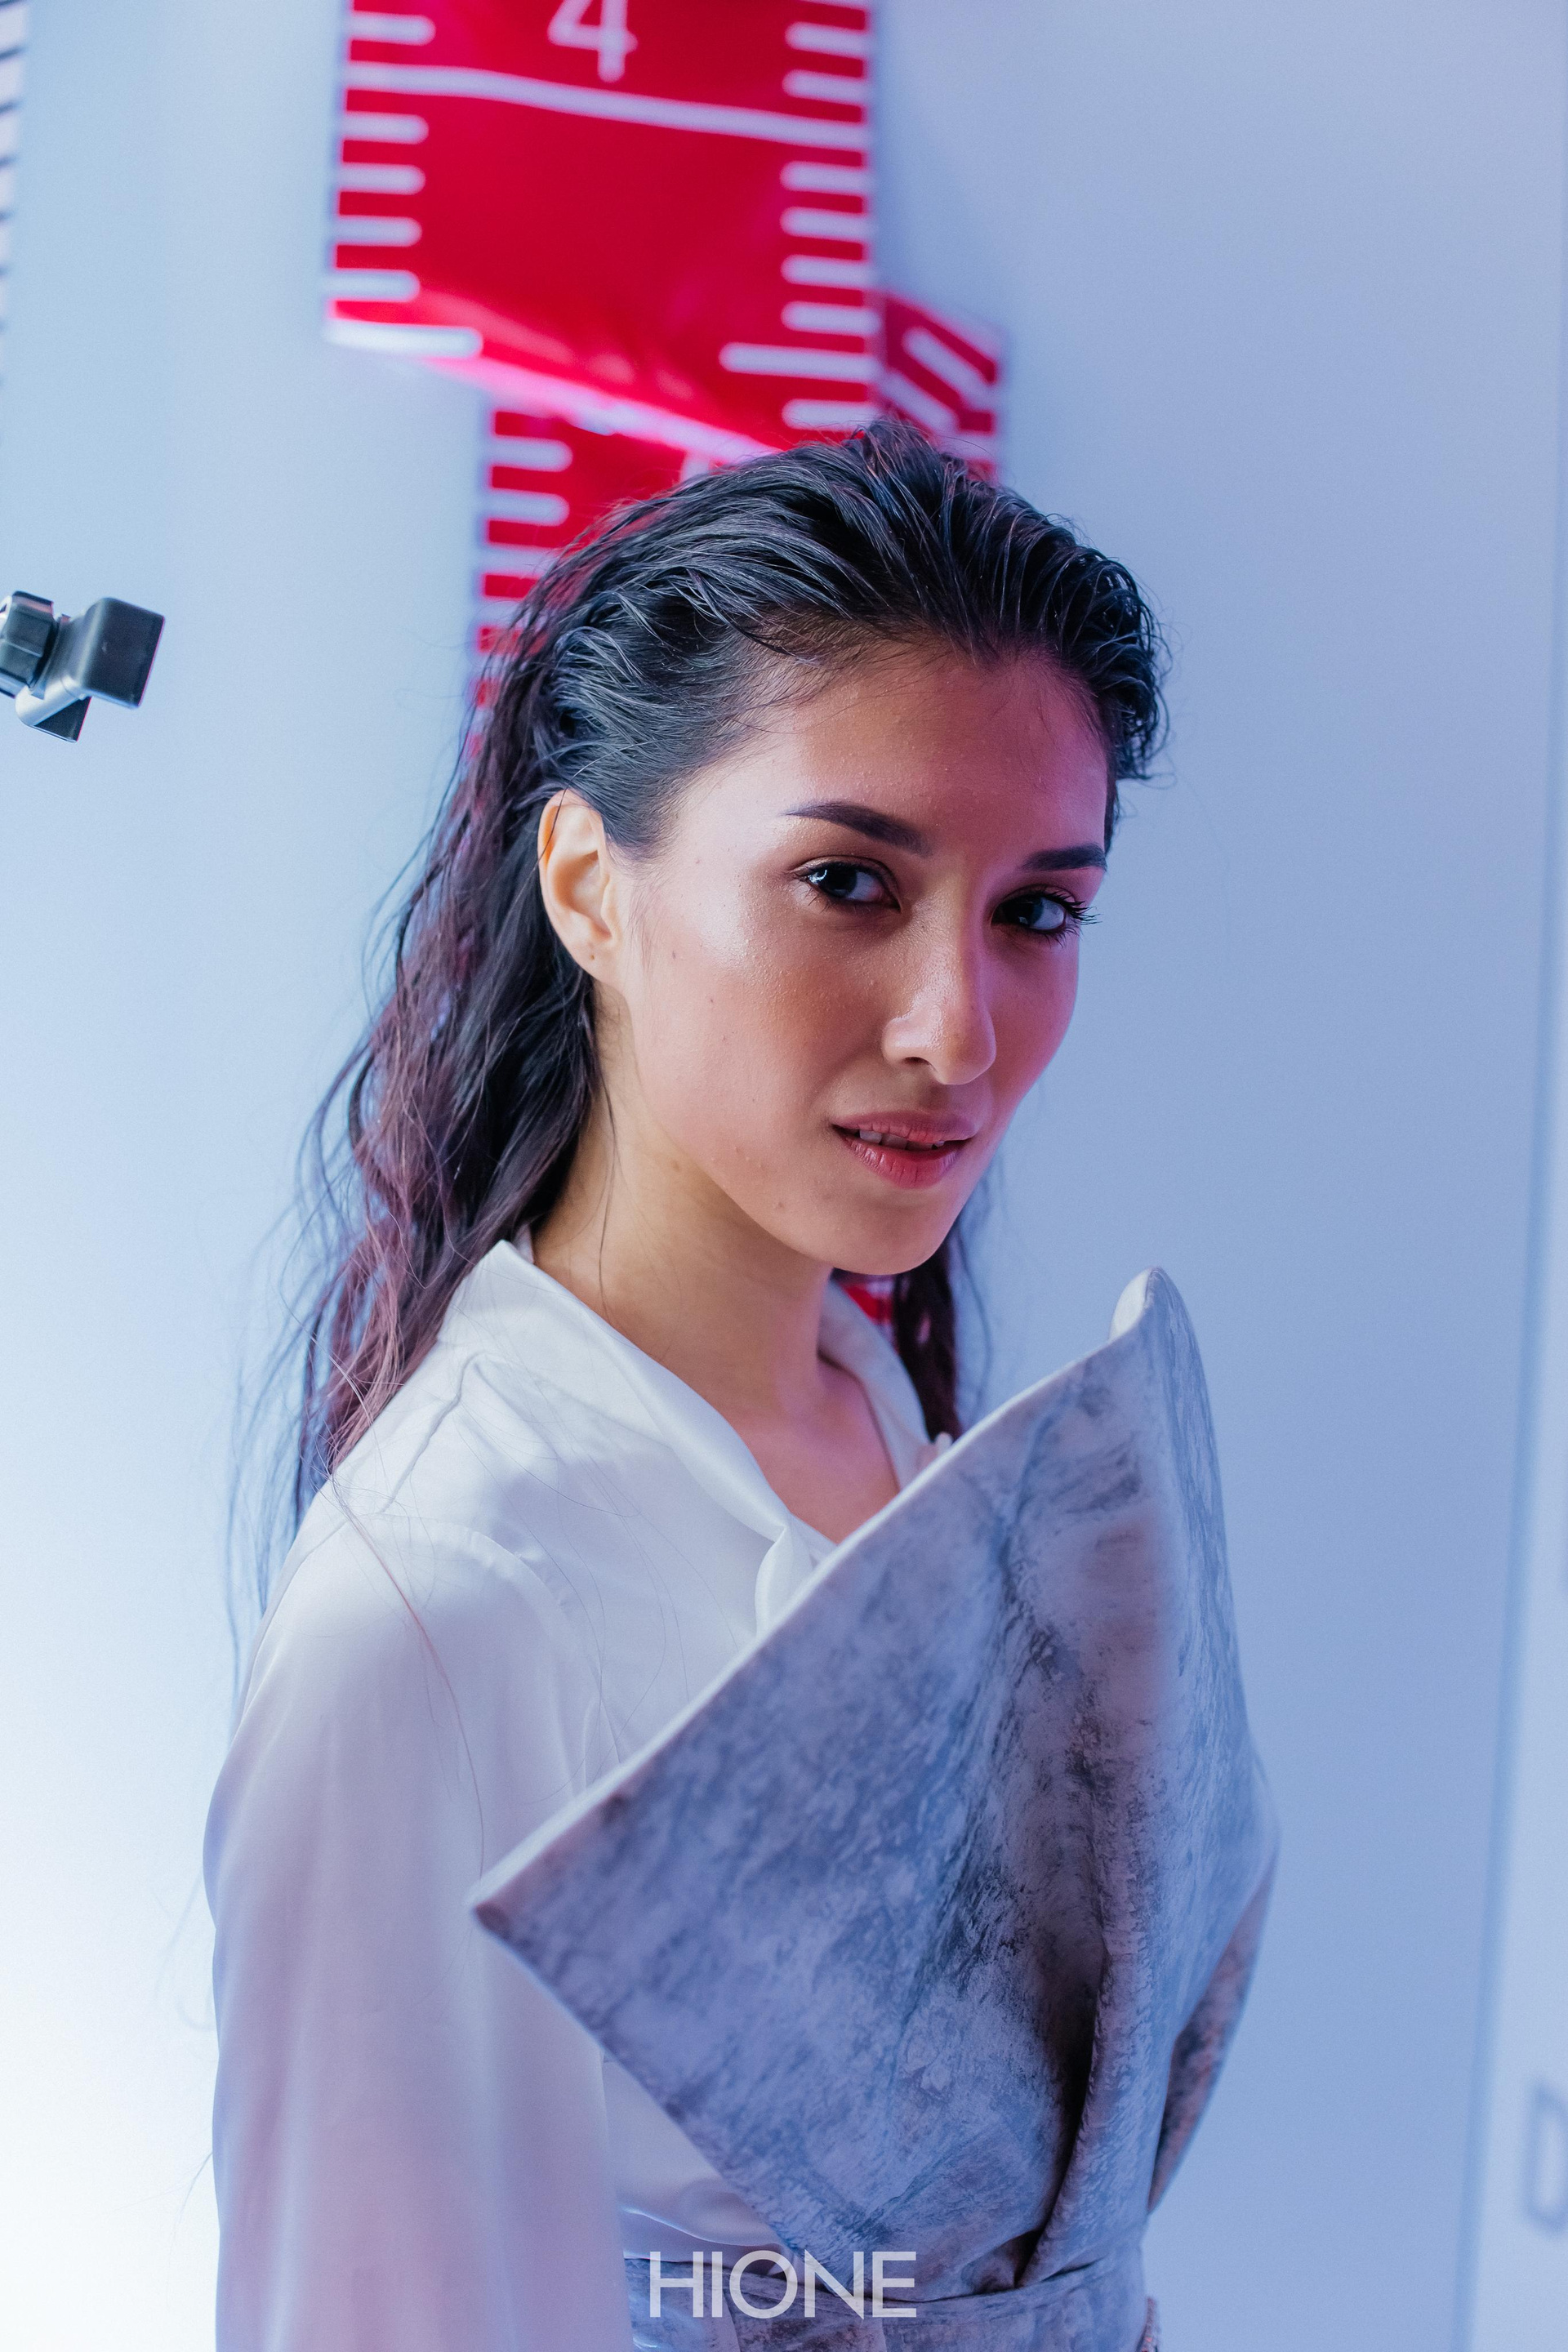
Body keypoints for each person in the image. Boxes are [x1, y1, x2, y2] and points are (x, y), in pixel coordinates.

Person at [205, 421, 1170, 2350]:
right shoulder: (435, 1617)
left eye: (1037, 912)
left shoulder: (873, 1414)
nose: (959, 1031)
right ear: (590, 887)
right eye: (847, 882)